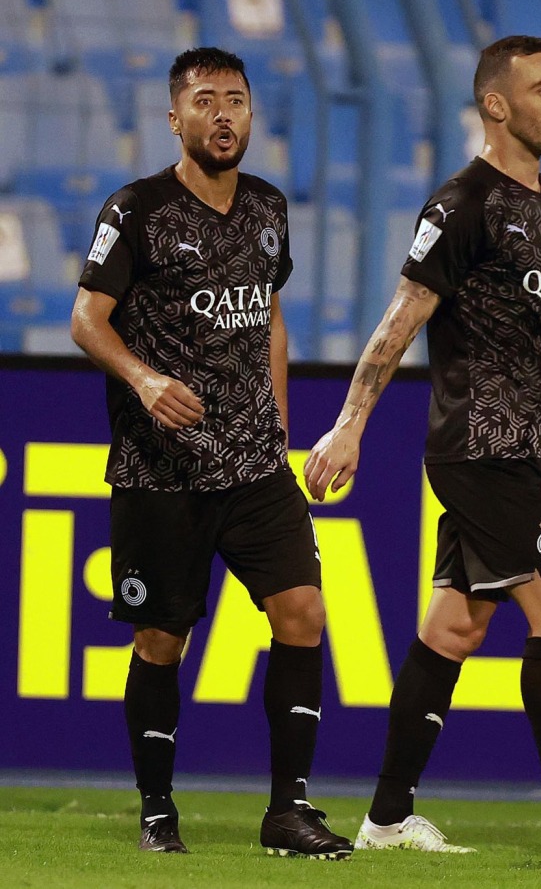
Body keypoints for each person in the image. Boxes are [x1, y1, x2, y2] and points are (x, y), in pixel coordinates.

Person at [303, 34, 541, 858]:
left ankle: (386, 818)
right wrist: (350, 424)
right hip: (476, 448)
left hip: (526, 445)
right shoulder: (459, 206)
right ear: (497, 104)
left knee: (453, 629)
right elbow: (401, 319)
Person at [70, 47, 351, 860]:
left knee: (303, 615)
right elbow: (87, 319)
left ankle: (287, 812)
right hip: (162, 469)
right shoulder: (137, 210)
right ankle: (158, 808)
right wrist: (146, 380)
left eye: (236, 100)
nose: (224, 115)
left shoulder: (267, 207)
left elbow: (268, 316)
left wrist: (283, 431)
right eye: (205, 101)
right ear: (175, 118)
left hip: (257, 467)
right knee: (163, 639)